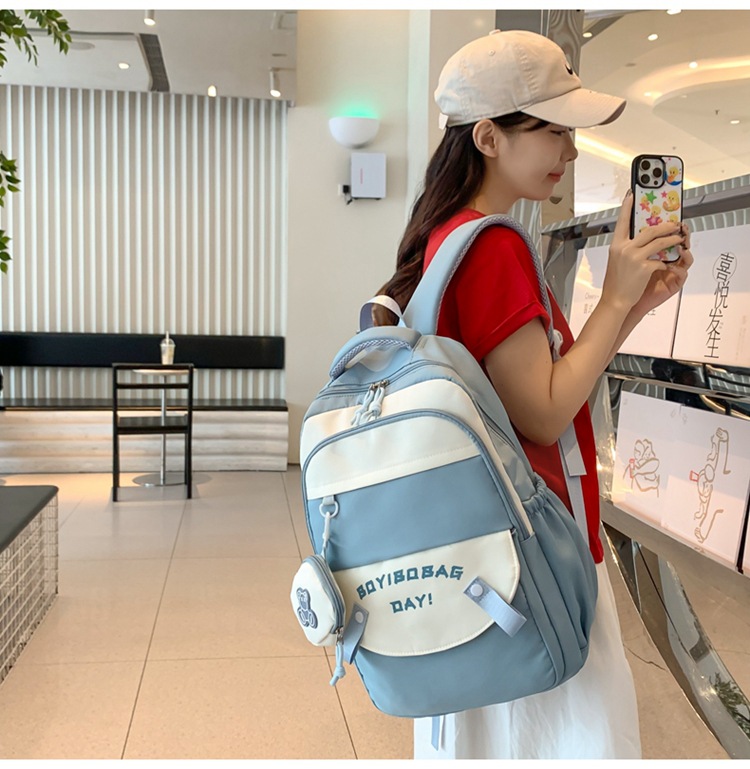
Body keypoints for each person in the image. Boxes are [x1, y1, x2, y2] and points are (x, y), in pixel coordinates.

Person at [374, 30, 694, 760]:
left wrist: (634, 303)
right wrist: (615, 300)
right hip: (534, 553)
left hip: (486, 550)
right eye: (554, 130)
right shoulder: (494, 247)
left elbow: (545, 384)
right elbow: (544, 414)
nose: (571, 152)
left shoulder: (446, 237)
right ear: (488, 137)